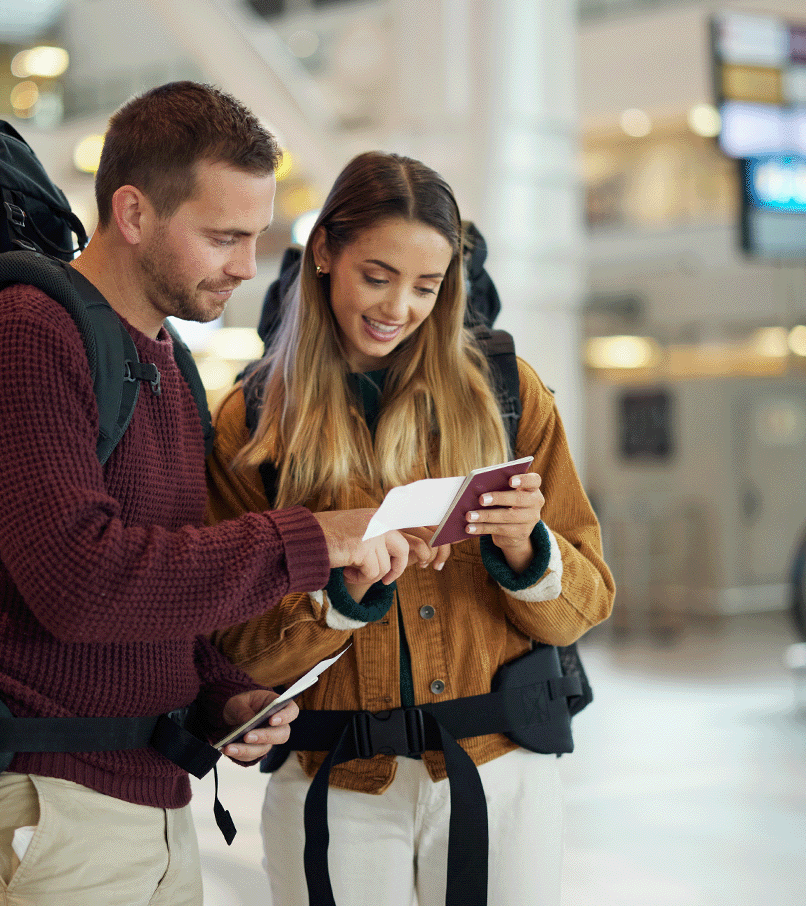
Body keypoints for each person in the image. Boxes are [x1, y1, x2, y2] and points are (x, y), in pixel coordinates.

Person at [0, 83, 427, 906]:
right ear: (134, 212)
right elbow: (82, 585)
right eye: (222, 236)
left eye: (255, 237)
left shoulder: (165, 363)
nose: (246, 266)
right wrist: (308, 539)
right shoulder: (25, 335)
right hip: (41, 800)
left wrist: (222, 690)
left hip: (146, 802)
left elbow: (158, 589)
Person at [209, 151, 614, 906]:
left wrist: (529, 553)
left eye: (427, 286)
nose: (399, 306)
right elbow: (236, 646)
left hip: (500, 773)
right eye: (378, 275)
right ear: (325, 252)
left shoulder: (506, 393)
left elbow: (587, 604)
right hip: (333, 780)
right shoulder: (255, 420)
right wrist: (341, 597)